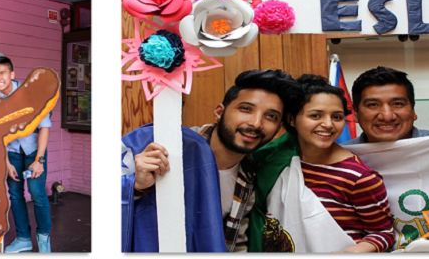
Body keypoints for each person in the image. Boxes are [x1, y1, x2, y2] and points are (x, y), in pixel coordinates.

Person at [122, 69, 302, 252]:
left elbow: (235, 243)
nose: (256, 123)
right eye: (246, 109)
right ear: (219, 112)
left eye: (271, 116)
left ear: (278, 128)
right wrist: (135, 186)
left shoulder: (250, 176)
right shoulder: (165, 147)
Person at [252, 75, 395, 252]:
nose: (328, 124)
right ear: (291, 119)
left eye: (337, 117)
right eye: (315, 115)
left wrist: (350, 253)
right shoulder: (276, 164)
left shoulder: (359, 178)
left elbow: (384, 233)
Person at [0, 56, 53, 253]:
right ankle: (23, 238)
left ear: (12, 74)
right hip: (11, 153)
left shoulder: (30, 93)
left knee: (37, 194)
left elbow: (44, 126)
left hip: (34, 150)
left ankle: (44, 239)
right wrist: (5, 162)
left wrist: (39, 160)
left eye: (2, 73)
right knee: (16, 195)